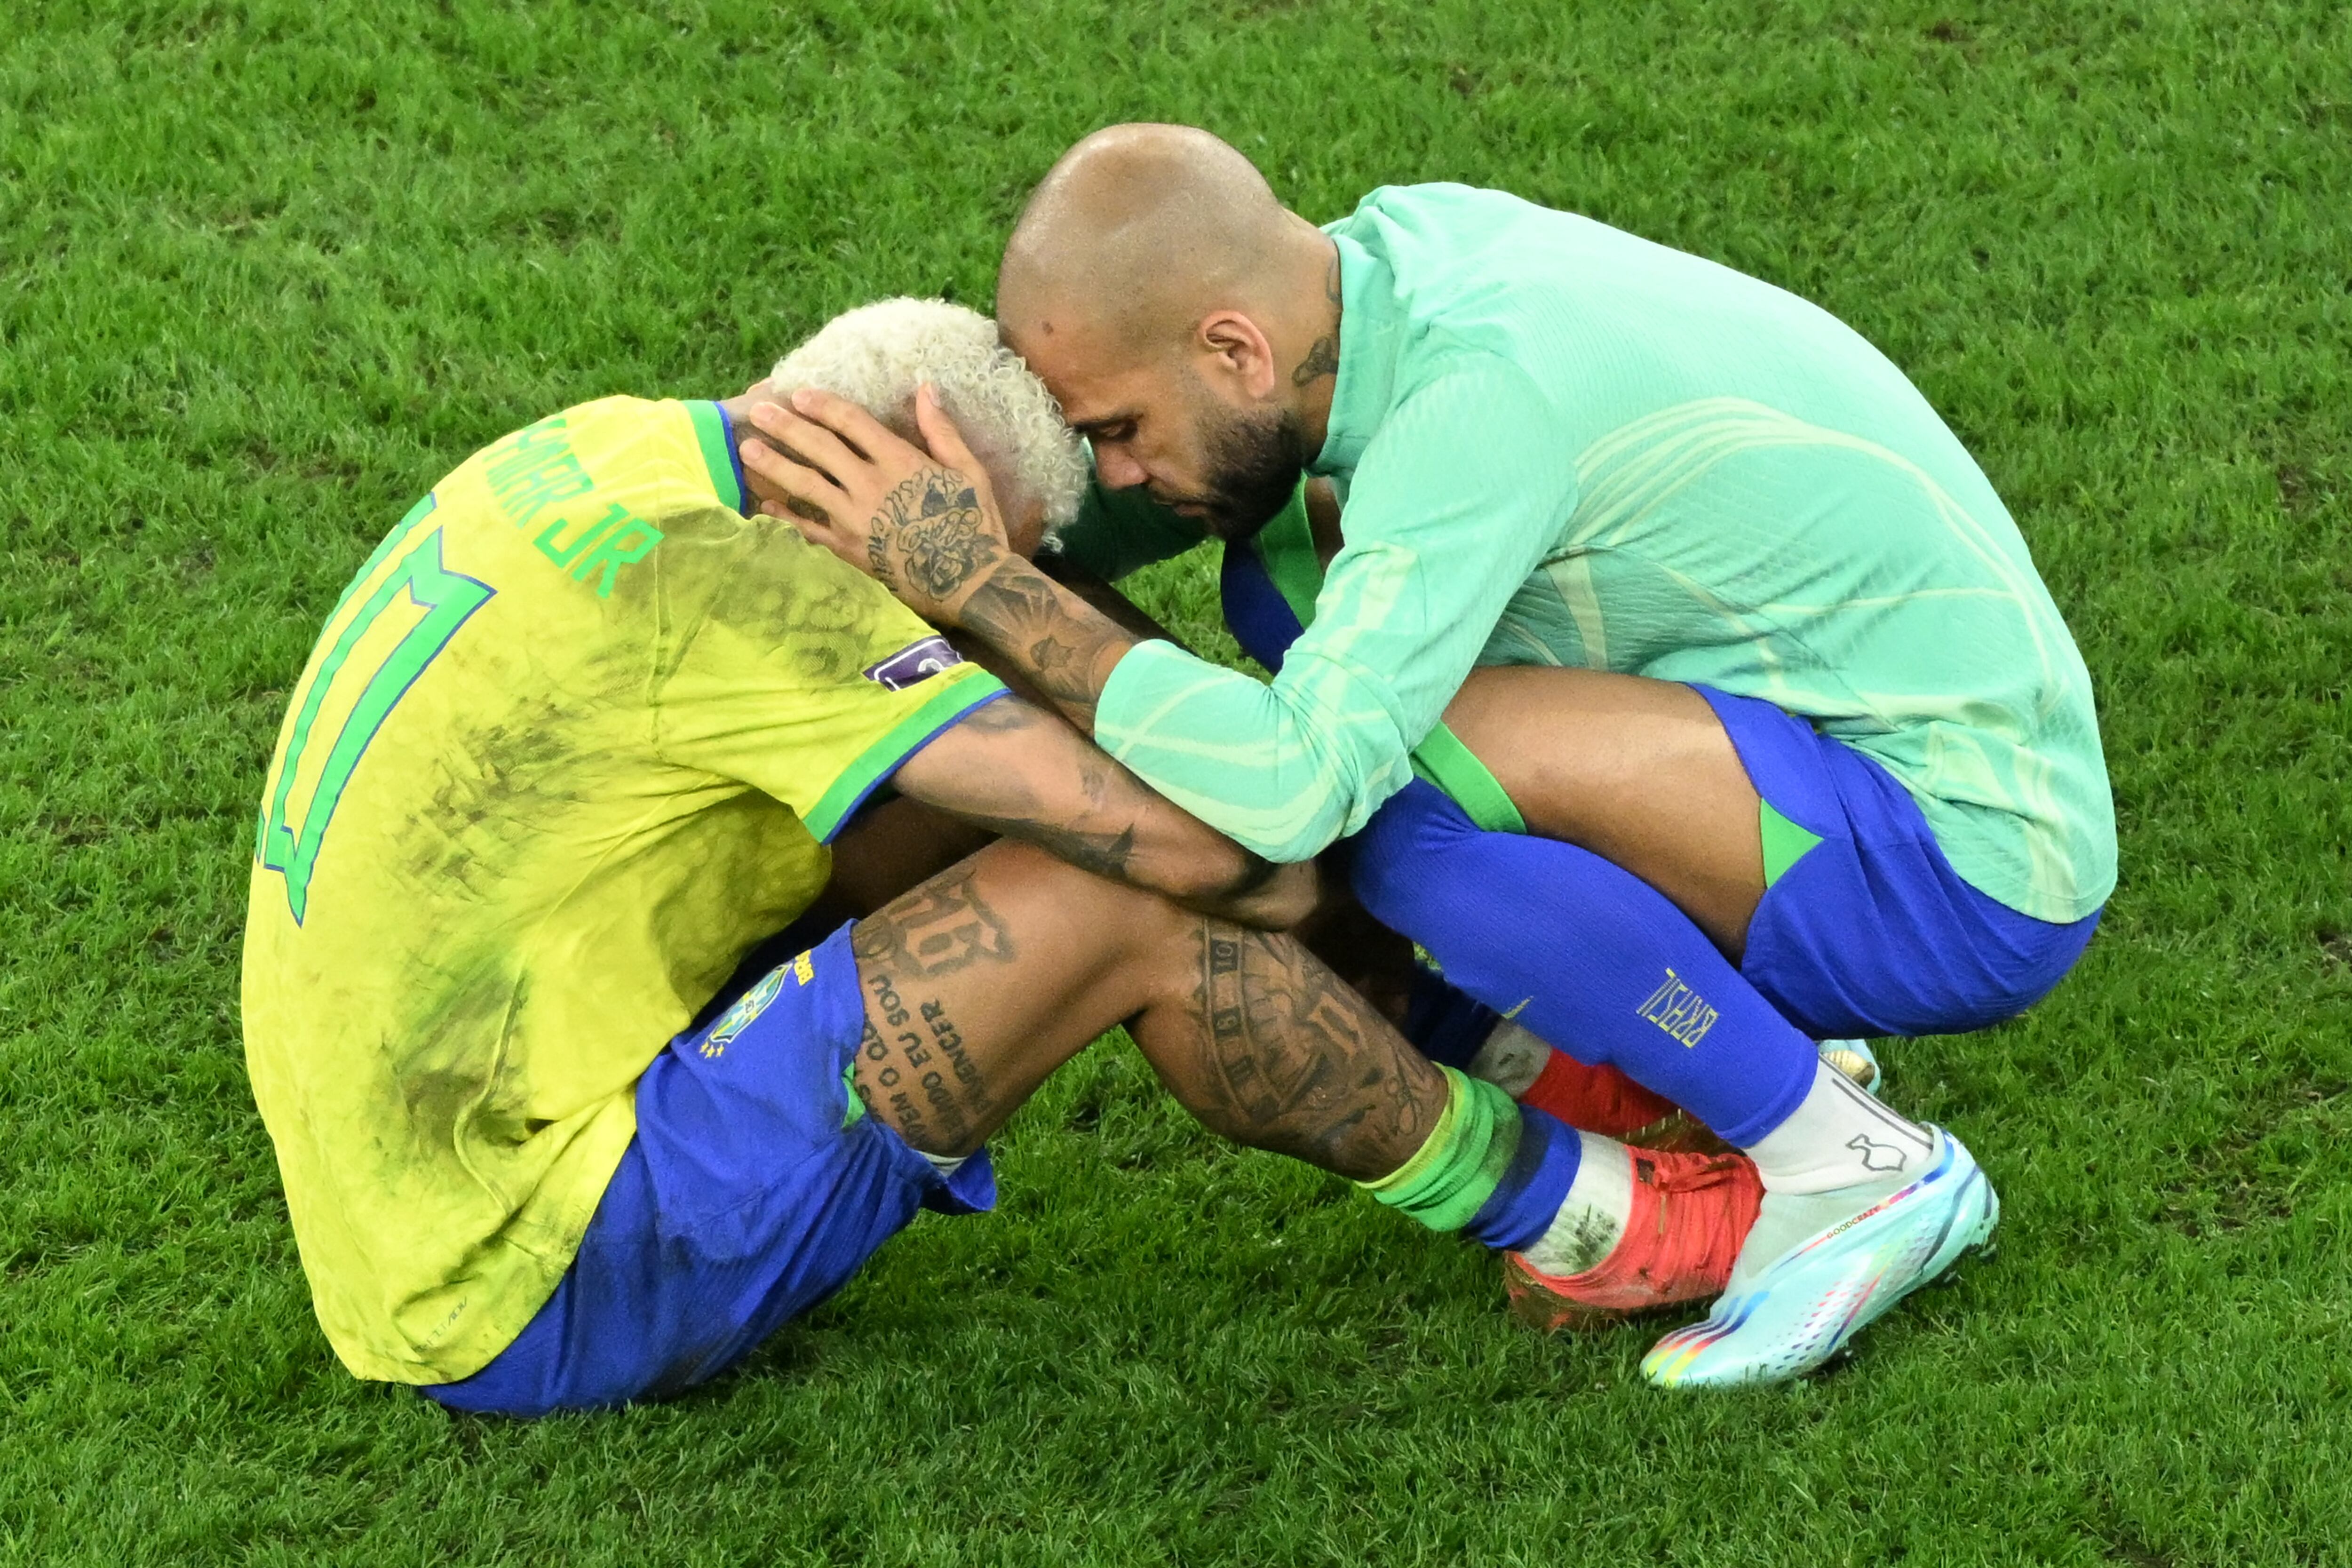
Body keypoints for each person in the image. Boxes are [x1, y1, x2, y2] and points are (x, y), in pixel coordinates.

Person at [745, 126, 2116, 1387]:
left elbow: (1294, 788)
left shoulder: (1475, 405)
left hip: (1964, 874)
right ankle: (1668, 1066)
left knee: (1391, 800)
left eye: (1114, 431)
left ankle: (1853, 1164)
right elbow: (1173, 517)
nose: (1109, 474)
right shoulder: (1367, 285)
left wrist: (979, 583)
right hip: (1817, 770)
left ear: (1233, 350)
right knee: (1286, 580)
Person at [241, 300, 1753, 1418]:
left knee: (1046, 683)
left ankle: (1511, 1053)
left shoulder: (614, 453)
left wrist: (992, 593)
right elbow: (1254, 870)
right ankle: (1597, 1222)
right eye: (961, 550)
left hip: (429, 1172)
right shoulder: (754, 601)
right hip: (522, 1278)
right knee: (1132, 888)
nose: (975, 587)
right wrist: (972, 587)